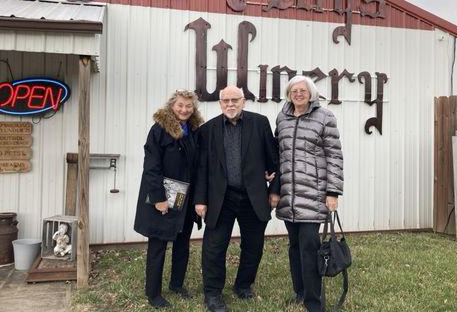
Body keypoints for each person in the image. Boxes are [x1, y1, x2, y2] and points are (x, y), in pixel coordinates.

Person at [194, 85, 280, 312]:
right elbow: (202, 169)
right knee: (214, 247)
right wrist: (200, 200)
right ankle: (212, 294)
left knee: (253, 246)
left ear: (243, 101)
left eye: (235, 100)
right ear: (220, 103)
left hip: (254, 196)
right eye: (226, 101)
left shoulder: (260, 123)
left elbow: (275, 161)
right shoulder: (208, 129)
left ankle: (243, 286)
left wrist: (274, 191)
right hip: (220, 198)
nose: (230, 104)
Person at [275, 75, 344, 312]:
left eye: (303, 90)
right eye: (294, 90)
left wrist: (333, 191)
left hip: (314, 194)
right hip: (289, 195)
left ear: (311, 93)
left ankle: (314, 302)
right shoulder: (282, 117)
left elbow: (334, 156)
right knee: (294, 246)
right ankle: (300, 291)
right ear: (289, 93)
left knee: (309, 247)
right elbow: (278, 152)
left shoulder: (325, 117)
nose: (298, 94)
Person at [134, 90, 204, 308]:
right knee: (158, 245)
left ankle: (177, 284)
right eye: (180, 105)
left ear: (193, 109)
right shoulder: (159, 130)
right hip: (165, 194)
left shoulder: (193, 130)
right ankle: (153, 293)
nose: (184, 110)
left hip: (185, 195)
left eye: (188, 107)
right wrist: (158, 198)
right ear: (172, 106)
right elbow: (151, 167)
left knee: (182, 242)